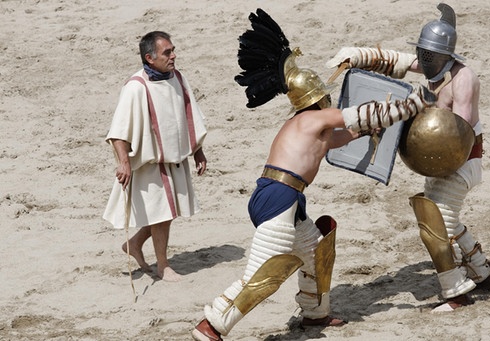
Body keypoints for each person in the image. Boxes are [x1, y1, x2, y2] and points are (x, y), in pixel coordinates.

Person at [192, 9, 435, 340]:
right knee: (263, 274)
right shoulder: (312, 120)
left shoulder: (306, 126)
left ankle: (314, 314)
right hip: (279, 196)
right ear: (319, 99)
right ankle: (211, 326)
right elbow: (358, 115)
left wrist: (374, 127)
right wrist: (411, 104)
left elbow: (347, 134)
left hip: (285, 196)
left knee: (315, 250)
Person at [325, 3, 490, 312]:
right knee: (447, 218)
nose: (424, 61)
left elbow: (461, 132)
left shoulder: (463, 77)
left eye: (430, 55)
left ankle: (456, 292)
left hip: (461, 158)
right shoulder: (435, 67)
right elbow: (397, 62)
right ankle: (482, 270)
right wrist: (358, 55)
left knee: (436, 223)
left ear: (445, 55)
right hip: (440, 159)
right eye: (423, 53)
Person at [103, 31, 208, 282]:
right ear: (149, 58)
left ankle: (135, 244)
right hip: (149, 163)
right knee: (162, 214)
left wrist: (198, 151)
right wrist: (124, 165)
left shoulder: (178, 78)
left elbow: (190, 115)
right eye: (167, 52)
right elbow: (118, 131)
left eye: (173, 50)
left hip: (175, 159)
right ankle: (163, 267)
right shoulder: (135, 88)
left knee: (166, 211)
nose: (173, 56)